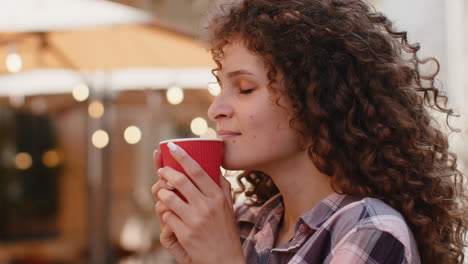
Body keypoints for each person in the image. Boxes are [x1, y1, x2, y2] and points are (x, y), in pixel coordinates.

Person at [151, 0, 467, 263]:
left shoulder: (370, 231)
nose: (215, 109)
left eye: (245, 88)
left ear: (316, 99)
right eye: (220, 87)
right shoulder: (242, 225)